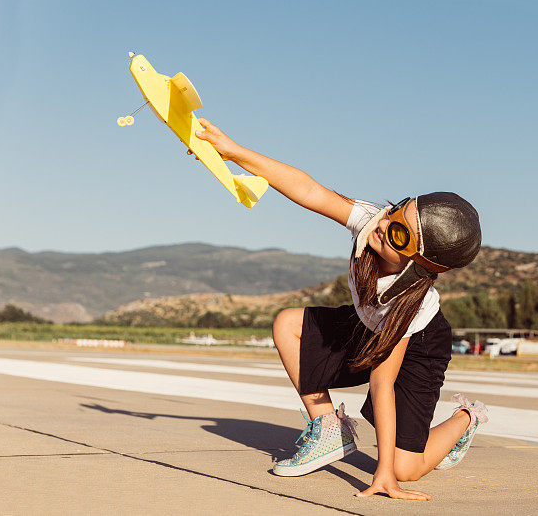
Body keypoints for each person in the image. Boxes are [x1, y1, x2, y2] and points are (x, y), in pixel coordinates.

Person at [192, 119, 488, 501]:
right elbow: (309, 189)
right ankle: (330, 427)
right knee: (288, 324)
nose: (384, 224)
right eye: (396, 210)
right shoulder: (371, 221)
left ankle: (466, 419)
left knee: (405, 468)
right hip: (364, 325)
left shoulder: (408, 303)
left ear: (423, 263)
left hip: (418, 348)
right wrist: (233, 151)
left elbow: (382, 384)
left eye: (399, 233)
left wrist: (383, 476)